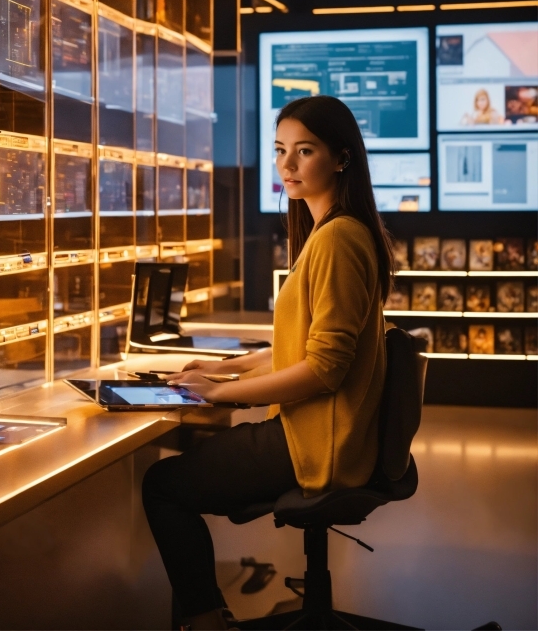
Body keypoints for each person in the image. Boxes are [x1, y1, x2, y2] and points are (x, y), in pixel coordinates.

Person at [142, 95, 394, 630]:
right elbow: (299, 350)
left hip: (315, 447)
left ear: (341, 157)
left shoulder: (338, 239)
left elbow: (323, 368)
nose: (287, 165)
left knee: (162, 486)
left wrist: (217, 394)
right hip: (320, 437)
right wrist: (224, 373)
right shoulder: (332, 233)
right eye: (281, 150)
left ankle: (206, 621)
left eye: (305, 151)